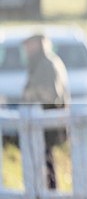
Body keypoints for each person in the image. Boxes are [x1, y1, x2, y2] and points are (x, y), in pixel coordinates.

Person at [21, 33, 70, 190]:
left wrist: (31, 96)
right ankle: (44, 190)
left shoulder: (48, 64)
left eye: (30, 45)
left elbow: (50, 94)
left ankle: (50, 191)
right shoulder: (38, 63)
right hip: (41, 117)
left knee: (46, 155)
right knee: (41, 155)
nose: (27, 49)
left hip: (49, 116)